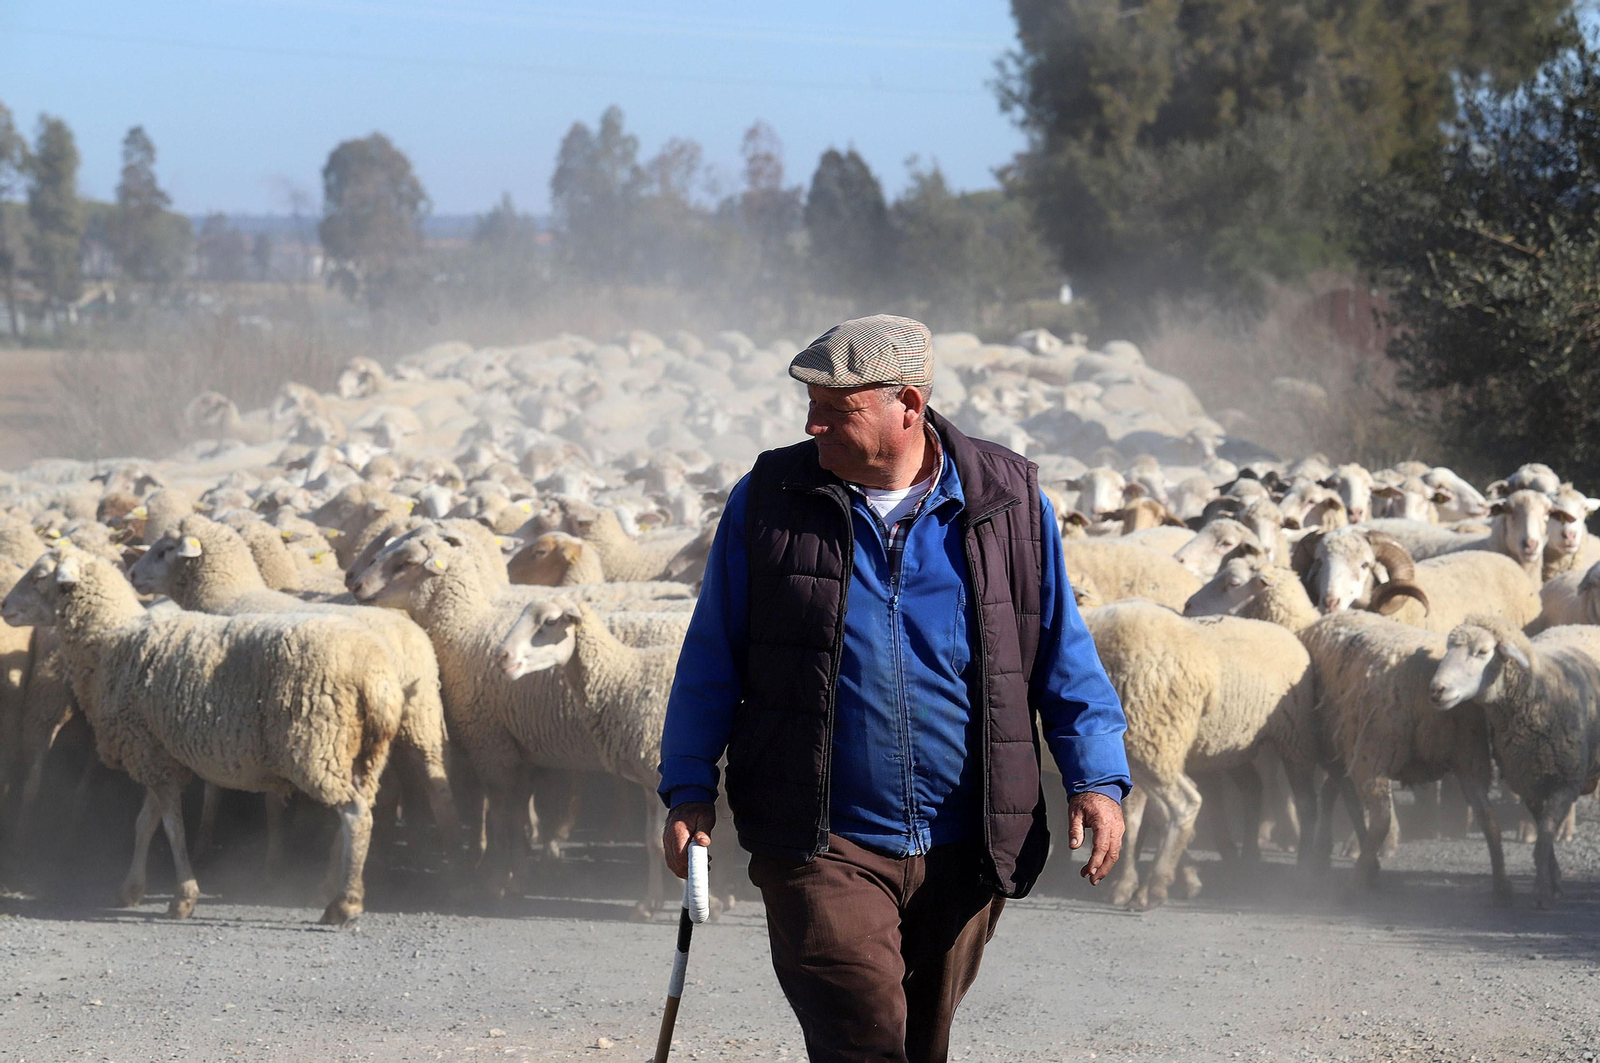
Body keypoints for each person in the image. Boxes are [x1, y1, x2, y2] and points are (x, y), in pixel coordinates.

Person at [657, 314, 1129, 1063]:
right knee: (864, 1040)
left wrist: (1096, 776)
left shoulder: (1006, 501)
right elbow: (712, 654)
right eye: (810, 403)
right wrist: (687, 788)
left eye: (835, 408)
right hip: (820, 838)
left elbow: (1059, 650)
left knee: (920, 1044)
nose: (812, 423)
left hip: (966, 841)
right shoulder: (771, 500)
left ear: (907, 404)